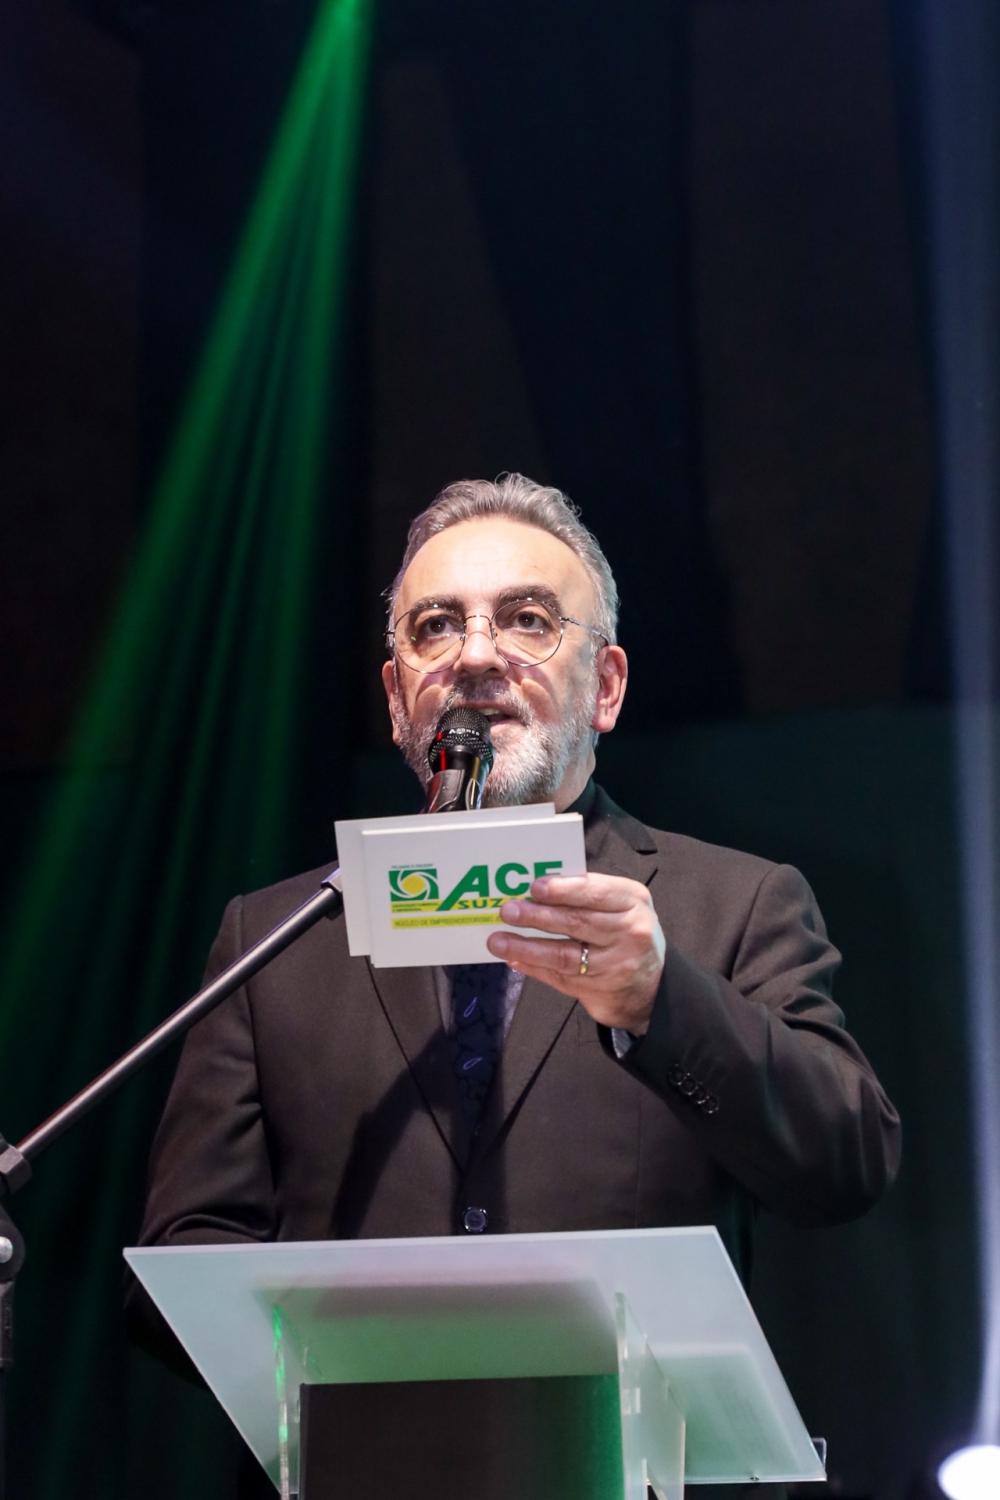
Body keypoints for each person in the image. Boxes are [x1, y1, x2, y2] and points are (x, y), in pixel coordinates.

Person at [128, 474, 900, 1490]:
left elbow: (846, 1162)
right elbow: (184, 1258)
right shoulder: (279, 938)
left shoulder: (733, 906)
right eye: (436, 626)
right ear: (397, 695)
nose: (477, 654)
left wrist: (660, 1003)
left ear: (606, 686)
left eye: (527, 620)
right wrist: (355, 1341)